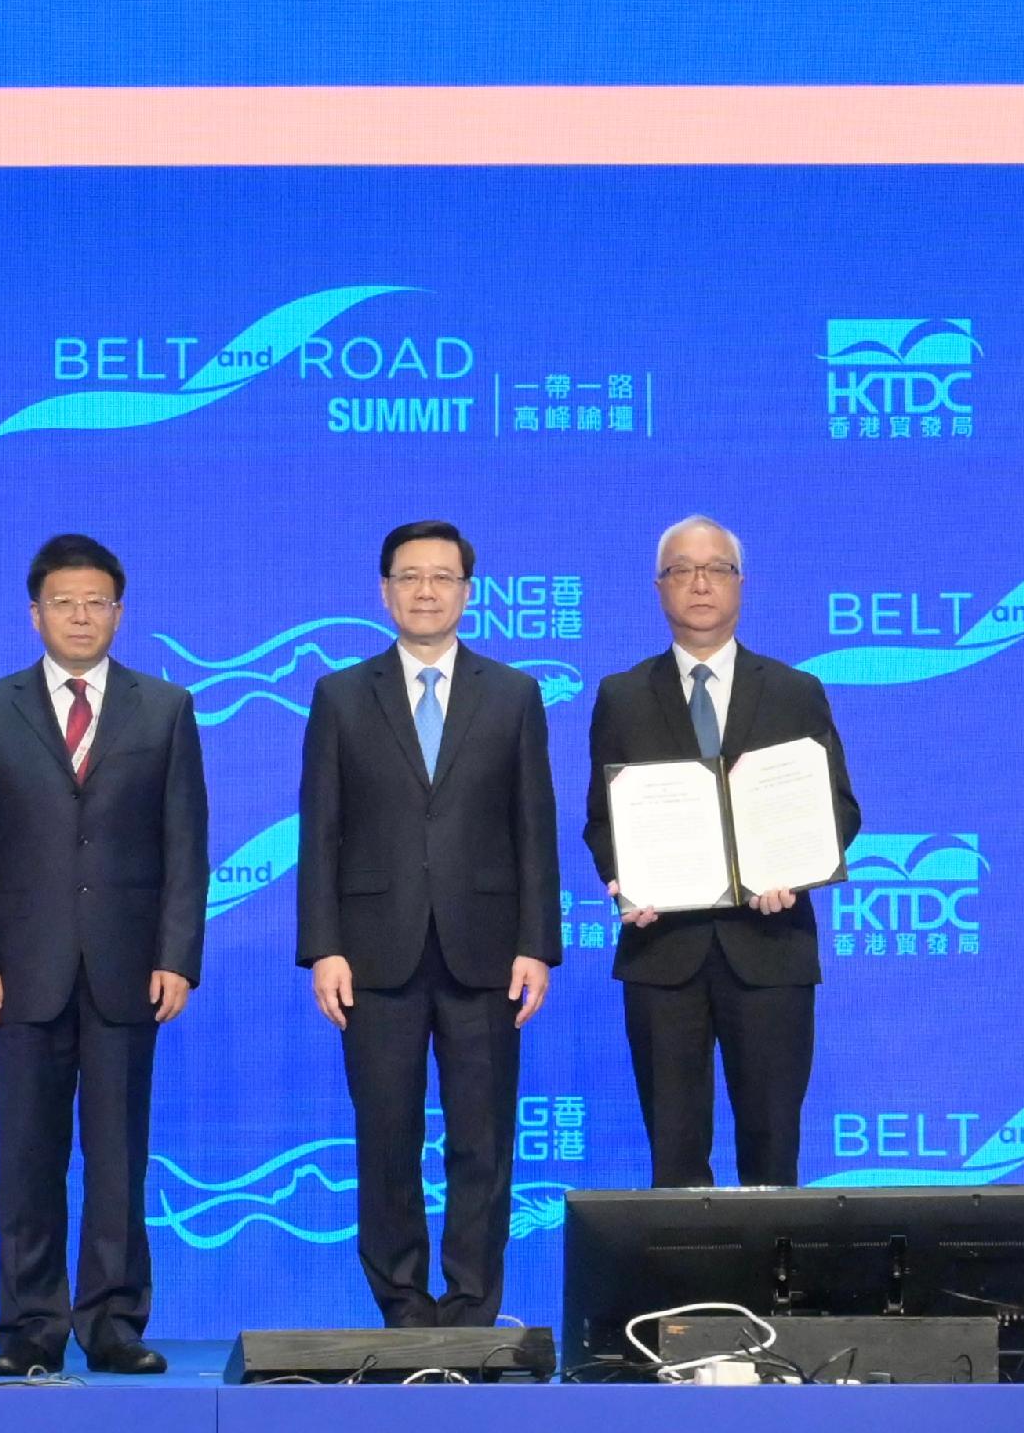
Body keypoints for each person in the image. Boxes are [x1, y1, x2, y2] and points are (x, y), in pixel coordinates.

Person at [0, 533, 209, 1376]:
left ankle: (113, 1322)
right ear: (35, 613)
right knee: (26, 1154)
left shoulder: (165, 708)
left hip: (130, 968)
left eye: (97, 600)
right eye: (65, 600)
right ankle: (29, 1327)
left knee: (119, 1155)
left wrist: (179, 954)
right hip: (20, 970)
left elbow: (184, 843)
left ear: (120, 613)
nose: (82, 614)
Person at [297, 519, 559, 1326]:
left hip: (486, 954)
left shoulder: (513, 693)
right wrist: (323, 948)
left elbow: (534, 829)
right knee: (387, 1138)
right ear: (384, 591)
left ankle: (474, 1304)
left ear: (468, 593)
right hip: (374, 956)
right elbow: (321, 831)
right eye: (410, 577)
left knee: (482, 1143)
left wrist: (537, 945)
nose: (426, 591)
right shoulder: (342, 694)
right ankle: (403, 1303)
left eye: (443, 577)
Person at [582, 513, 861, 1189]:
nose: (699, 582)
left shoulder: (796, 692)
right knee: (674, 1157)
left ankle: (773, 1297)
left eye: (716, 568)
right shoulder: (622, 694)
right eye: (681, 569)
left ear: (741, 584)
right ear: (658, 588)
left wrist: (795, 870)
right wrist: (625, 878)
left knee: (772, 1148)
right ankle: (685, 1296)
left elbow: (840, 809)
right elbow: (603, 818)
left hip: (770, 950)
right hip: (662, 954)